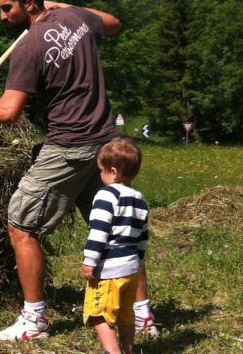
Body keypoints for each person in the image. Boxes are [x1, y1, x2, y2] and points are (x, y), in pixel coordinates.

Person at [0, 0, 157, 341]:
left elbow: (8, 111)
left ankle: (34, 319)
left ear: (29, 4)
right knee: (119, 231)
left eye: (7, 7)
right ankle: (141, 316)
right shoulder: (76, 18)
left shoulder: (27, 47)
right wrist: (64, 6)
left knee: (20, 224)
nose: (1, 16)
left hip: (69, 147)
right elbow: (113, 23)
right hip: (104, 143)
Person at [82, 138, 149, 354]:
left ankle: (113, 352)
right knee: (125, 316)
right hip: (131, 269)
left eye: (101, 170)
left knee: (99, 314)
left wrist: (89, 261)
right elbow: (143, 237)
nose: (100, 175)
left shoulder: (105, 195)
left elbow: (98, 231)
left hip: (109, 270)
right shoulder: (140, 199)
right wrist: (138, 263)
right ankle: (128, 350)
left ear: (113, 172)